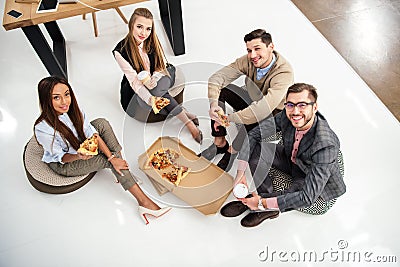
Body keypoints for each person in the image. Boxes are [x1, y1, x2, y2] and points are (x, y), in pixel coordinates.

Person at [34, 76, 171, 225]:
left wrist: (113, 157)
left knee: (101, 123)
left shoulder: (74, 110)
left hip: (79, 146)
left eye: (67, 95)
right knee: (105, 160)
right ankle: (144, 202)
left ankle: (121, 172)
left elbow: (92, 133)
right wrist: (79, 156)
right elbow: (61, 157)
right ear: (46, 100)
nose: (64, 102)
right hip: (65, 163)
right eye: (56, 98)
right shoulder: (42, 128)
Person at [220, 83, 346, 227]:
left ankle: (263, 206)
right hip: (291, 158)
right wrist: (240, 173)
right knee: (256, 150)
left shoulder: (325, 145)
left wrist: (263, 202)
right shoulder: (288, 115)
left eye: (302, 105)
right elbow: (254, 135)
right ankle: (261, 198)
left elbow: (307, 197)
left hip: (308, 176)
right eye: (290, 105)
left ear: (315, 107)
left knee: (294, 195)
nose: (295, 111)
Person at [199, 29, 294, 170]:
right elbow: (217, 78)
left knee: (253, 120)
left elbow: (262, 109)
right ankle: (220, 143)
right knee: (223, 91)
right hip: (253, 98)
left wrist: (228, 118)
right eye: (249, 50)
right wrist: (214, 104)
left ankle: (232, 151)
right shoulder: (248, 60)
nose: (253, 55)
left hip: (273, 112)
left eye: (257, 49)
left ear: (271, 47)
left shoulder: (284, 72)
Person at [112, 7, 202, 143]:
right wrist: (150, 99)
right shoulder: (120, 51)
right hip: (140, 84)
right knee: (154, 98)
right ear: (131, 25)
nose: (144, 33)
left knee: (156, 89)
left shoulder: (150, 39)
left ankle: (189, 125)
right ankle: (186, 115)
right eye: (139, 27)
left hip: (163, 74)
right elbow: (134, 81)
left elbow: (161, 66)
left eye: (148, 28)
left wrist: (154, 78)